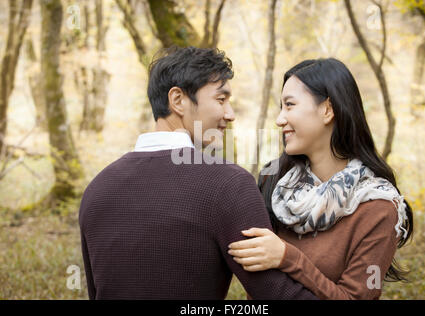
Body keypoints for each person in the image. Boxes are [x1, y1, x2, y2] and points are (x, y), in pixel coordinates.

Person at [78, 46, 317, 300]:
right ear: (178, 100)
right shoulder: (229, 184)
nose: (230, 114)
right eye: (221, 99)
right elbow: (276, 295)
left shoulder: (96, 190)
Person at [228, 58, 414, 300]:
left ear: (327, 110)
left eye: (290, 105)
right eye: (280, 107)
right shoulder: (273, 184)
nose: (279, 119)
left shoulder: (378, 209)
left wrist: (288, 257)